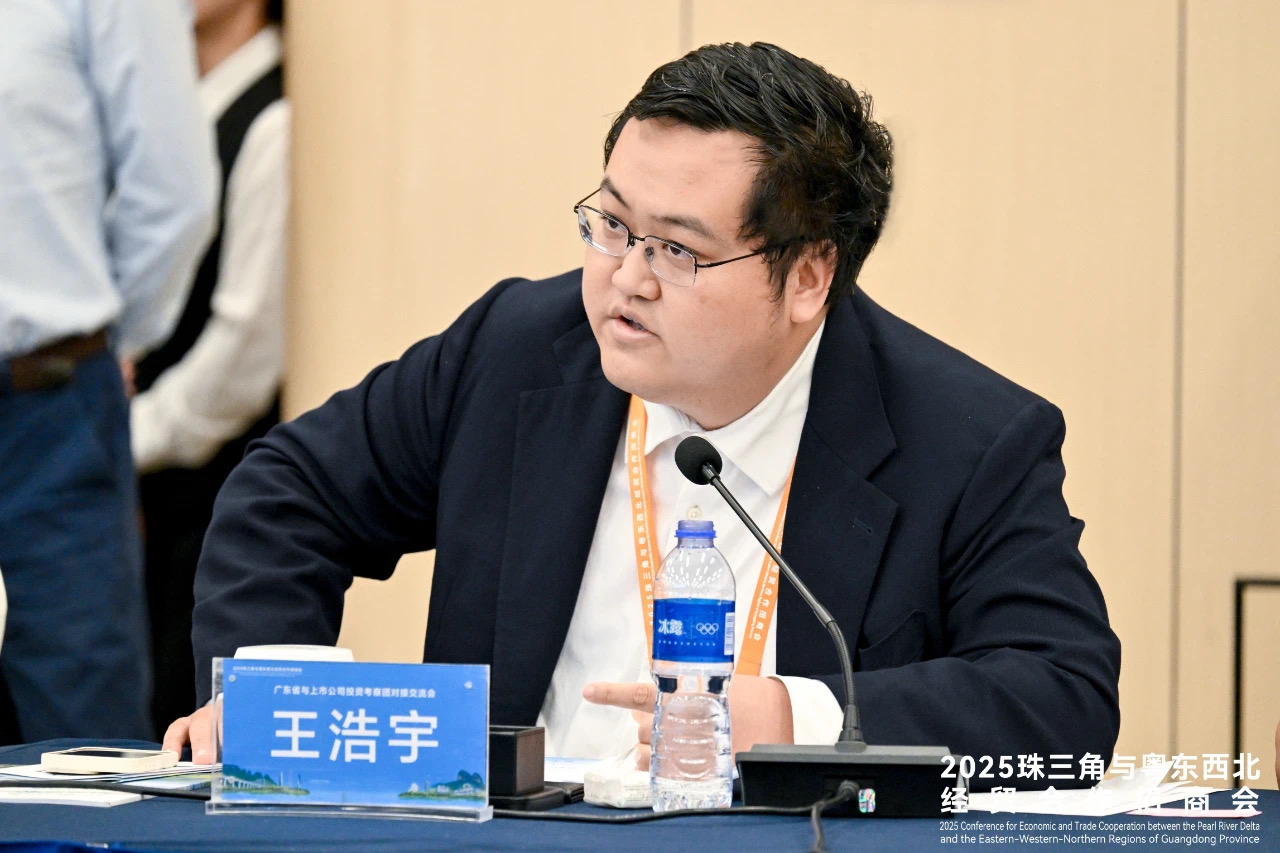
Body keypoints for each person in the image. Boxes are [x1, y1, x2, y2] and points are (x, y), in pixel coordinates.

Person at [165, 43, 1121, 784]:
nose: (625, 278)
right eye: (614, 224)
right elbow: (292, 490)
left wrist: (798, 719)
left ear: (808, 276)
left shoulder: (967, 439)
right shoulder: (515, 351)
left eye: (676, 249)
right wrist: (269, 696)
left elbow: (1063, 697)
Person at [0, 0, 216, 741]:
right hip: (48, 386)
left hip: (43, 404)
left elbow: (173, 195)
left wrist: (101, 335)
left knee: (80, 734)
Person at [130, 0, 288, 738]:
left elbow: (245, 351)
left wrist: (121, 435)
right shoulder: (169, 103)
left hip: (209, 491)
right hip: (149, 486)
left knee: (179, 724)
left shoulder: (273, 117)